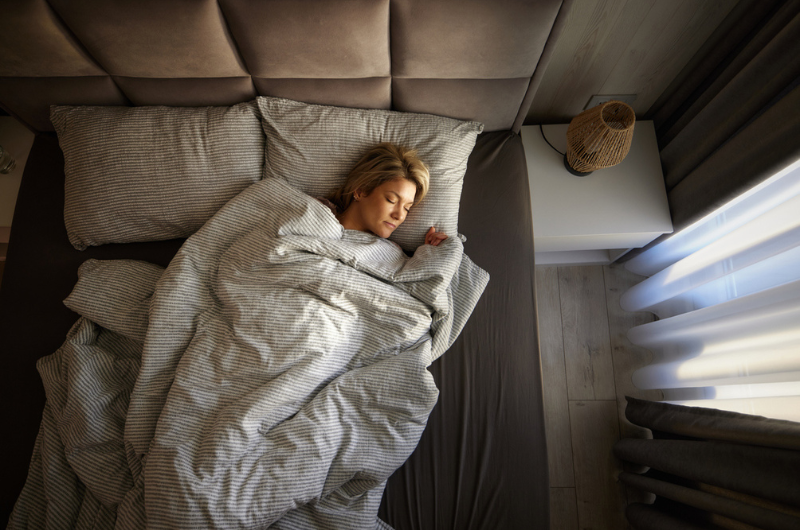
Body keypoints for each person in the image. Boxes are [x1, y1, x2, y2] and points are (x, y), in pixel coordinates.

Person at [322, 142, 448, 246]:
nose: (399, 215)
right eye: (391, 200)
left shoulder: (393, 254)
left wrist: (429, 254)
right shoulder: (312, 209)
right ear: (361, 191)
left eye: (407, 208)